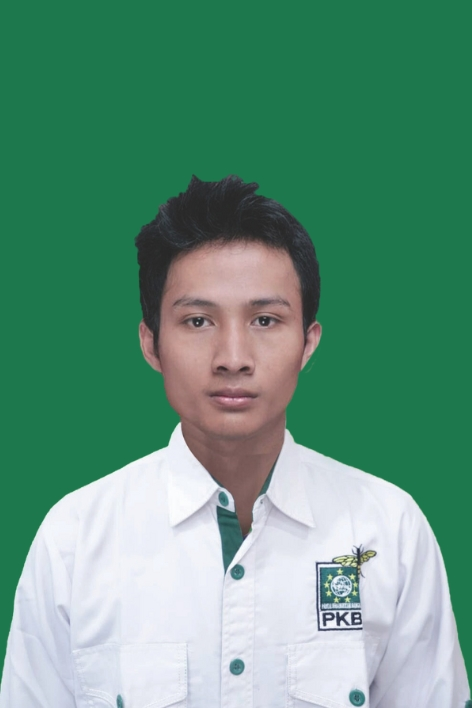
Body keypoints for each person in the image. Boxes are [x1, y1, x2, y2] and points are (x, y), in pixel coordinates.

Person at [0, 175, 469, 708]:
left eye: (265, 320)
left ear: (308, 343)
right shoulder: (75, 540)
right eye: (198, 320)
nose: (233, 358)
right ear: (151, 343)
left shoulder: (388, 530)